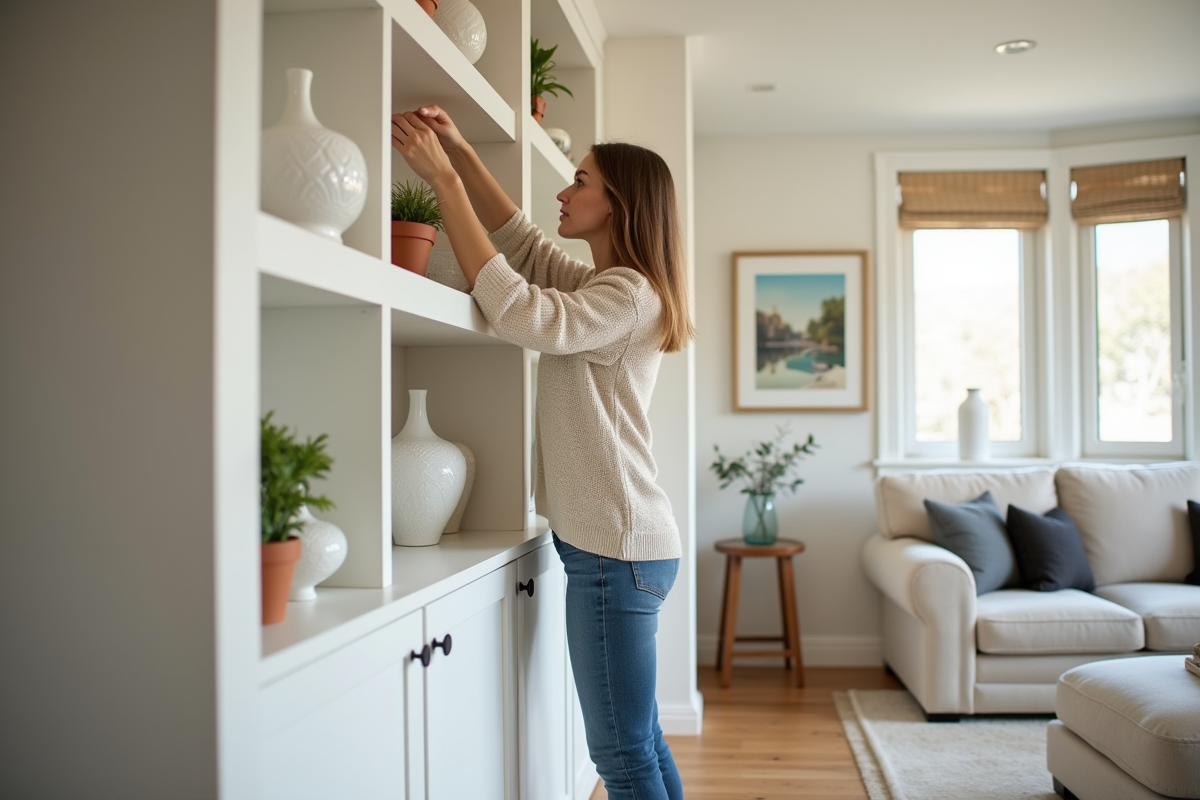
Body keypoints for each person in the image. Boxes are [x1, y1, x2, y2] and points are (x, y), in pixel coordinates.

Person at [391, 106, 692, 800]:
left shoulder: (627, 294)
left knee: (619, 753)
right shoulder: (609, 286)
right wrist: (462, 153)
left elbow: (522, 310)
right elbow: (521, 249)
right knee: (639, 740)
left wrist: (444, 185)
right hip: (624, 548)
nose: (563, 192)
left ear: (618, 204)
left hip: (615, 554)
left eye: (579, 180)